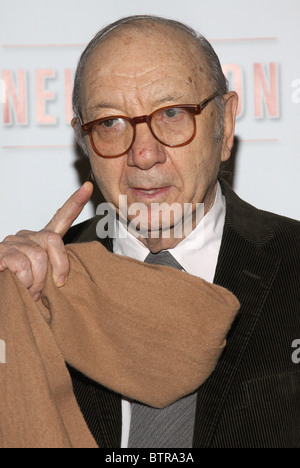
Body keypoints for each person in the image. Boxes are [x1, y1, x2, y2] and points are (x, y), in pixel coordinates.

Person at [0, 15, 299, 448]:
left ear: (226, 124)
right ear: (83, 141)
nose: (143, 153)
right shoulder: (35, 285)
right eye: (110, 123)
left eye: (173, 113)